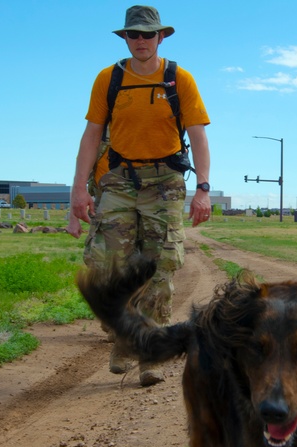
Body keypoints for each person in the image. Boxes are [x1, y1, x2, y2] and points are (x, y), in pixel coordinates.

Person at [67, 5, 211, 387]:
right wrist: (78, 189)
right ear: (125, 38)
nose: (142, 41)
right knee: (108, 262)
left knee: (161, 267)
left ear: (161, 37)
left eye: (148, 34)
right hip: (120, 180)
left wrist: (203, 189)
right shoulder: (108, 79)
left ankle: (148, 352)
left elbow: (197, 135)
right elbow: (91, 136)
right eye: (134, 34)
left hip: (164, 182)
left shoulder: (179, 79)